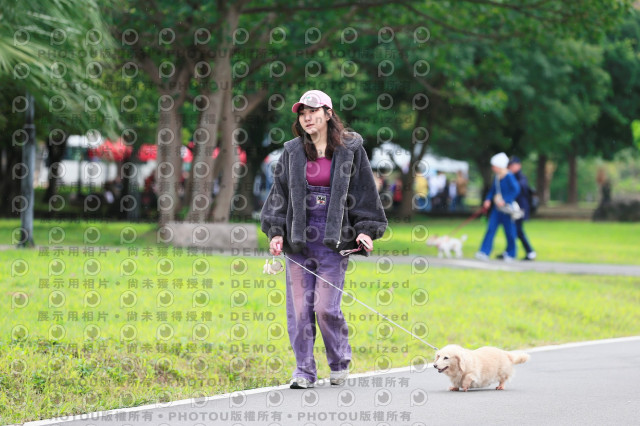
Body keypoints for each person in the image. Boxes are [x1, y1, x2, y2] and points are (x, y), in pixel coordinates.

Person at [260, 90, 388, 389]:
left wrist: (366, 230)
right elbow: (279, 194)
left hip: (333, 240)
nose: (307, 118)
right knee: (300, 310)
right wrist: (276, 231)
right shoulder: (292, 151)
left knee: (325, 308)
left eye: (313, 111)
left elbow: (364, 191)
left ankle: (339, 361)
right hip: (298, 239)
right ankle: (304, 371)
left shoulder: (351, 149)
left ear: (328, 114)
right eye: (302, 113)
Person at [475, 152, 520, 261]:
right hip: (497, 209)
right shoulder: (497, 177)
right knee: (491, 229)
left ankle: (511, 253)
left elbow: (516, 190)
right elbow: (493, 190)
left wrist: (505, 200)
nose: (492, 168)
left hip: (507, 209)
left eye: (494, 166)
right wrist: (488, 199)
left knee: (510, 231)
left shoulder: (509, 176)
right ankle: (484, 251)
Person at [507, 156, 536, 260]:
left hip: (520, 208)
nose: (511, 167)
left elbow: (518, 189)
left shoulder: (521, 177)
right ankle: (509, 250)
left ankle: (530, 251)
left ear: (519, 166)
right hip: (514, 208)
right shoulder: (512, 176)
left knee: (518, 231)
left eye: (513, 165)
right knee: (514, 230)